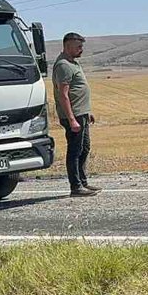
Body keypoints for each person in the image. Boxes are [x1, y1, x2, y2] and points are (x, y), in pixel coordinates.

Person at [52, 32, 99, 196]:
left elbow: (78, 91)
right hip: (74, 116)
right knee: (75, 150)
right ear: (67, 46)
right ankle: (76, 186)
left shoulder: (73, 63)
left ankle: (83, 182)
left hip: (82, 114)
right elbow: (63, 95)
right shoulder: (63, 65)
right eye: (78, 46)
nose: (81, 50)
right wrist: (72, 119)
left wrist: (87, 111)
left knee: (84, 148)